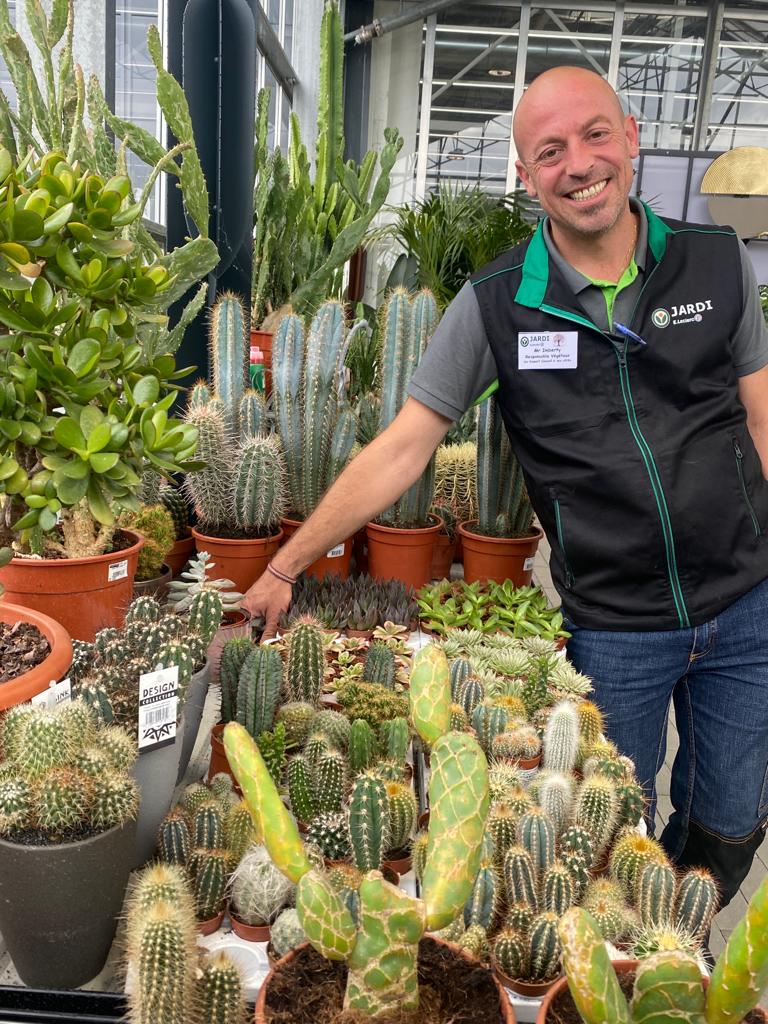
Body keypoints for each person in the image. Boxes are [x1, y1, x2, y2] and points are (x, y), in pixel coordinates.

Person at [244, 66, 768, 909]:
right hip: (617, 628)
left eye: (596, 135)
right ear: (525, 177)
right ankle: (629, 949)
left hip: (747, 605)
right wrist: (285, 565)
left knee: (734, 823)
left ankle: (679, 934)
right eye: (549, 151)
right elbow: (402, 449)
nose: (579, 163)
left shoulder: (716, 264)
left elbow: (763, 419)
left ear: (630, 137)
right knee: (597, 833)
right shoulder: (496, 305)